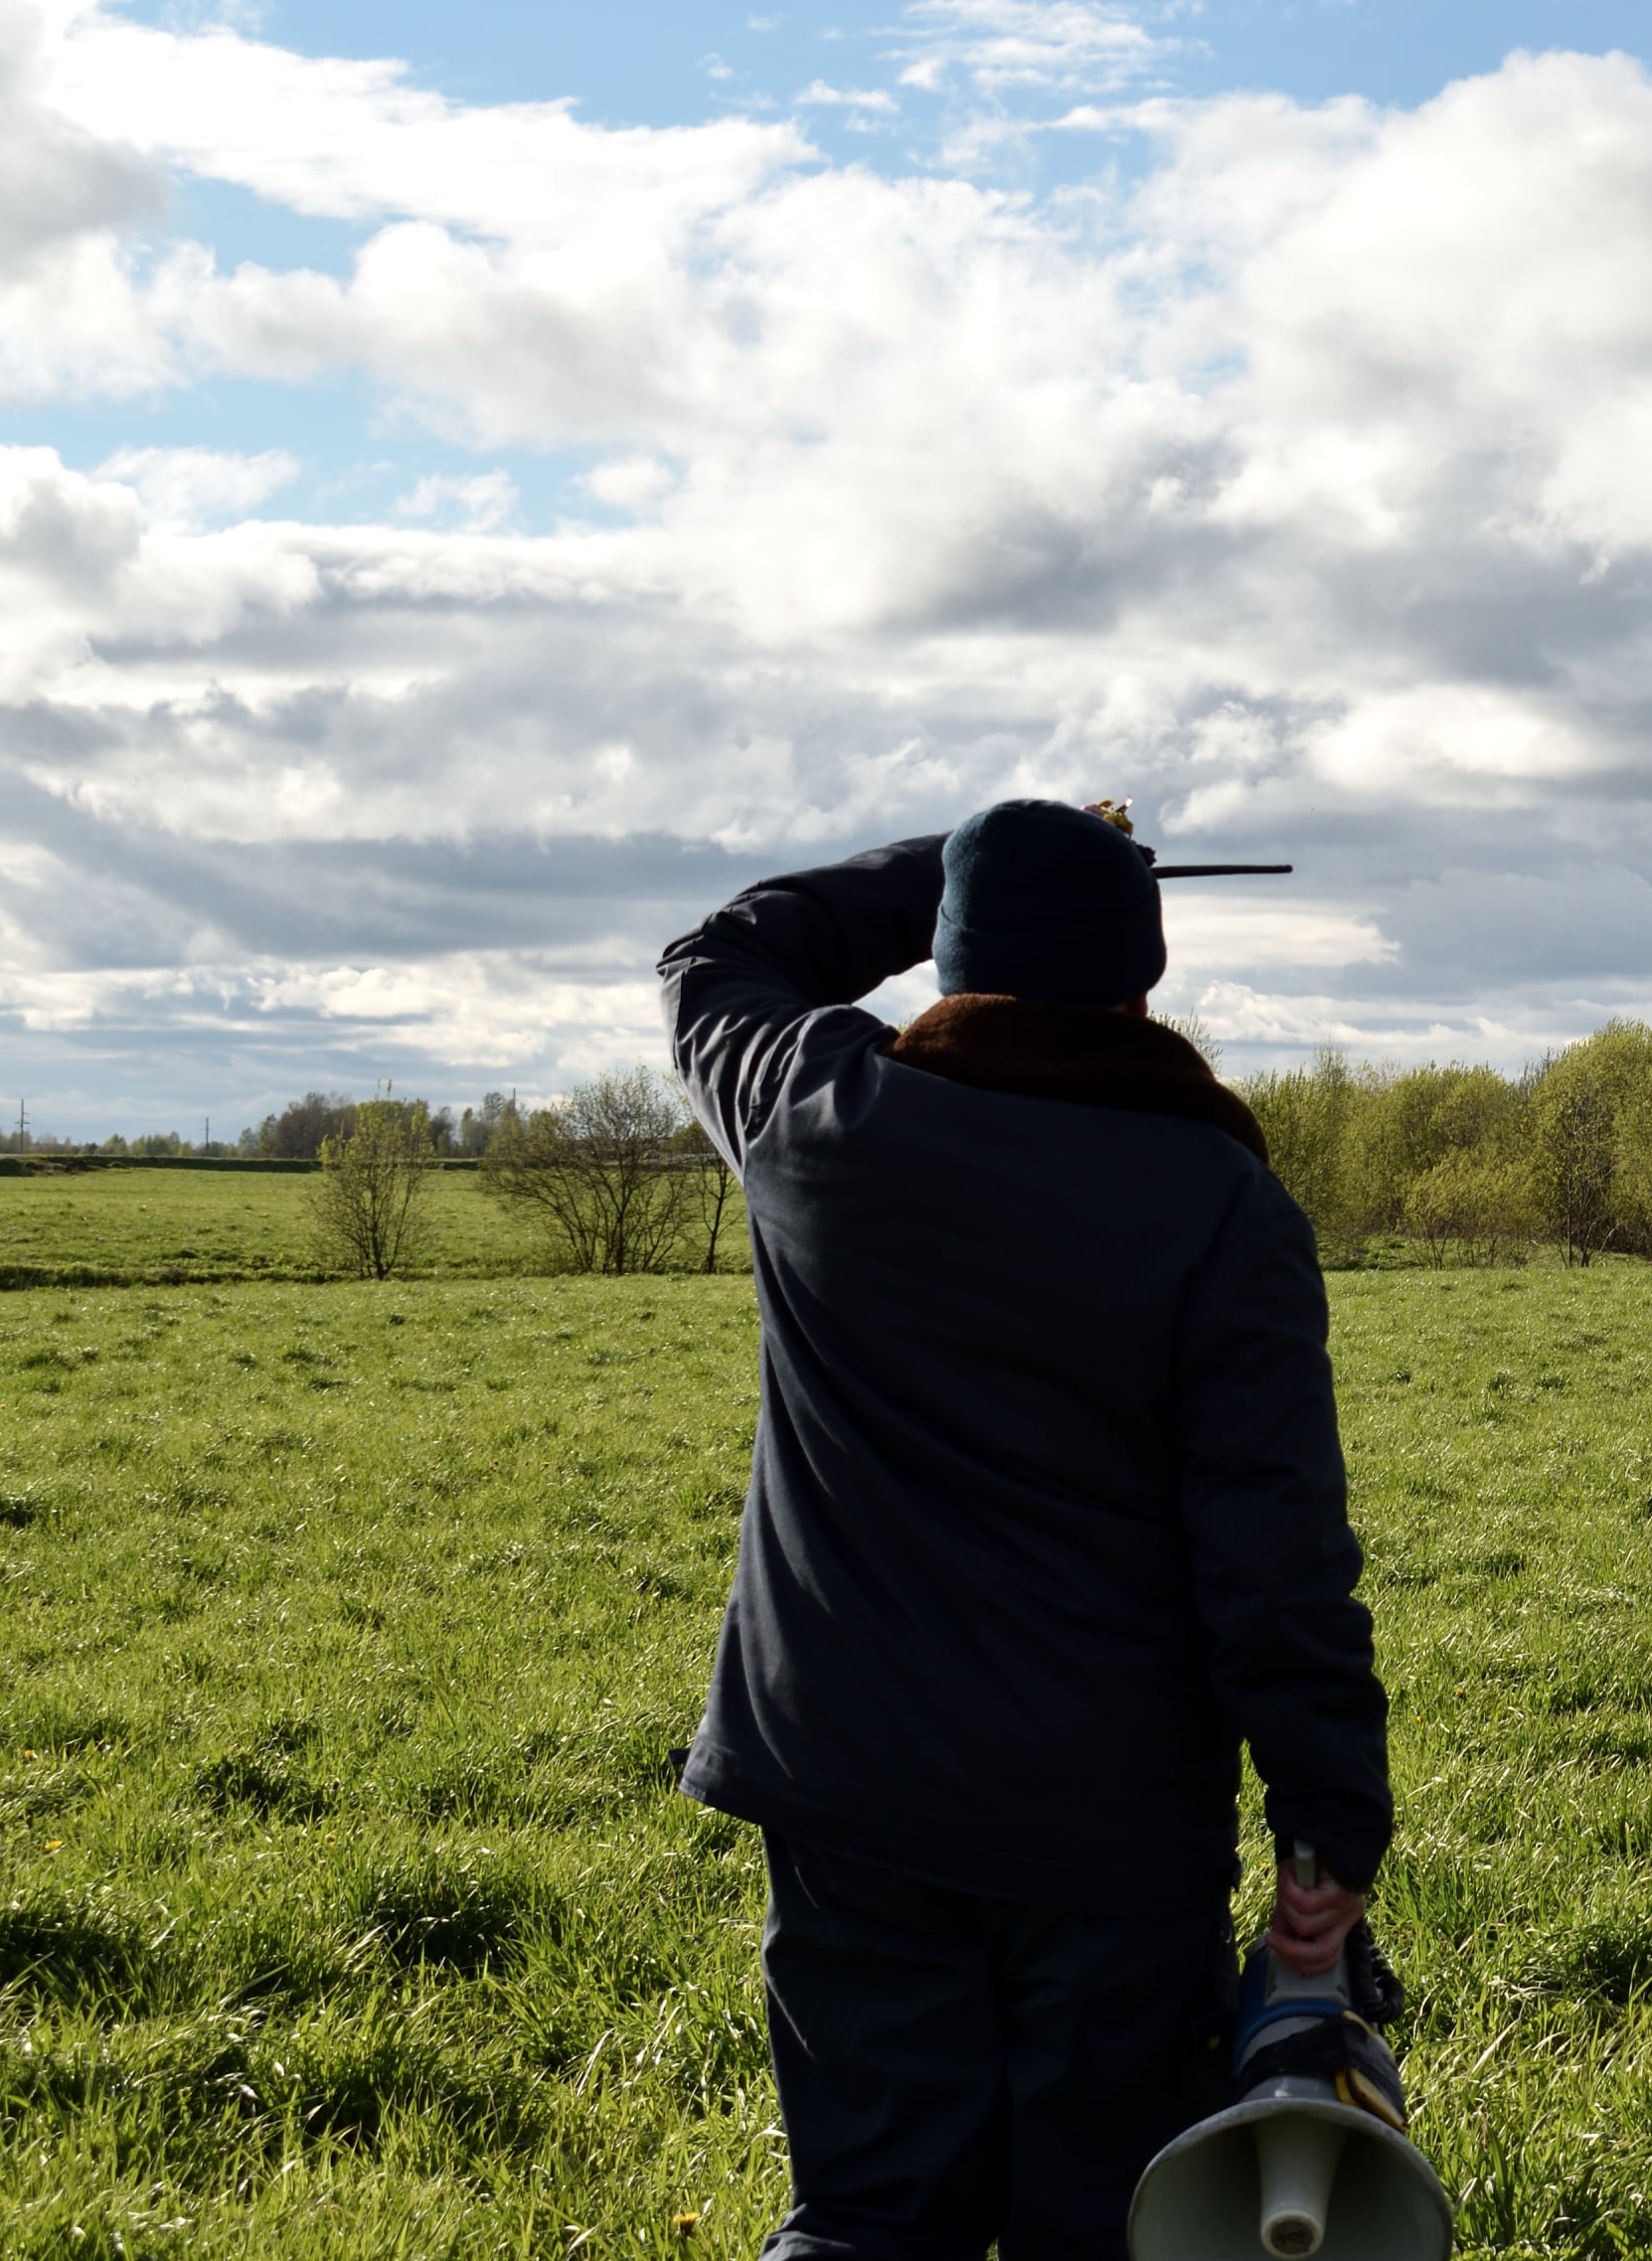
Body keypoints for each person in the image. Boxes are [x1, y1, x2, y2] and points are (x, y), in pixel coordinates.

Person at [659, 798, 1391, 2261]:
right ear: (1144, 982)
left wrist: (957, 857)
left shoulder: (819, 1121)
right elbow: (1275, 1555)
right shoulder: (1222, 1206)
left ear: (944, 961)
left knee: (865, 2221)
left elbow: (721, 955)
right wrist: (1324, 1823)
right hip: (1111, 1831)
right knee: (1103, 2225)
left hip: (848, 1788)